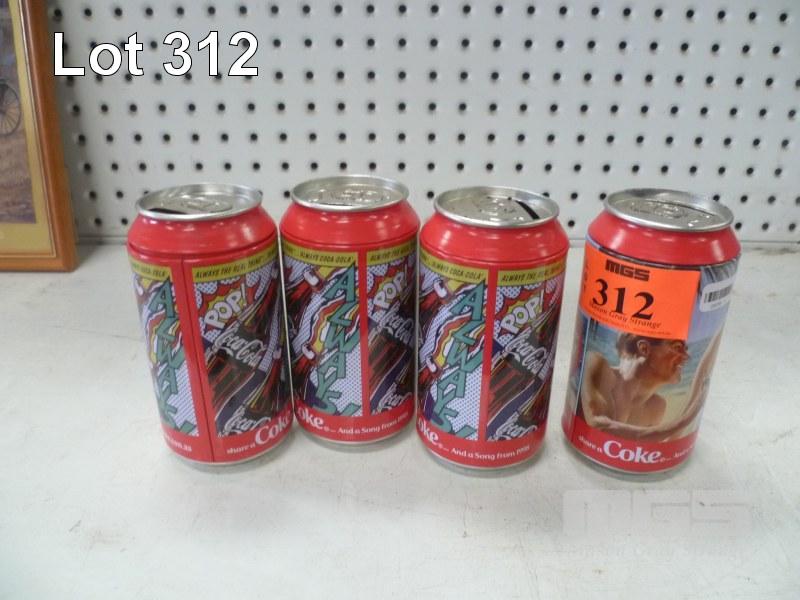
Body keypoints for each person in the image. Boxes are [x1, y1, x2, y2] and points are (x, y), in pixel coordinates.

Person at [580, 331, 722, 441]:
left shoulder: (656, 406)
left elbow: (653, 451)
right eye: (677, 347)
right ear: (644, 348)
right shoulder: (597, 365)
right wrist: (684, 421)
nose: (686, 356)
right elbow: (598, 425)